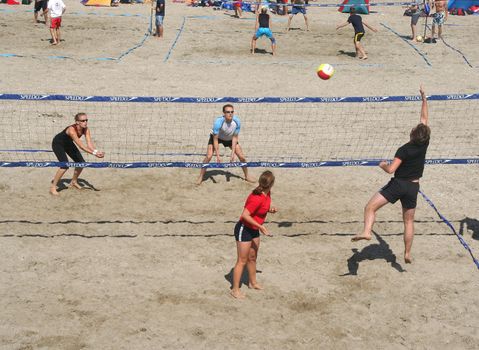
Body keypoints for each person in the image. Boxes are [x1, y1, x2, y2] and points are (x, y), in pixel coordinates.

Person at [351, 86, 430, 264]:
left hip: (398, 185)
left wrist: (383, 165)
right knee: (409, 222)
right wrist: (424, 99)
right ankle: (407, 253)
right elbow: (424, 119)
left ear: (412, 134)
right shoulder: (424, 143)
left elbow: (391, 170)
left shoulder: (404, 149)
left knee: (370, 207)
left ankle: (366, 232)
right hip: (413, 186)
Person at [231, 171, 277, 299]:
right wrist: (261, 226)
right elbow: (245, 215)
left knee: (252, 257)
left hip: (254, 229)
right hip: (244, 229)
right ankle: (235, 290)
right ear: (272, 184)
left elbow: (261, 208)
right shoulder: (256, 197)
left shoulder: (267, 194)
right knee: (242, 260)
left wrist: (269, 209)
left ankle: (253, 283)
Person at [196, 104, 256, 185]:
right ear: (224, 113)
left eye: (232, 112)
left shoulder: (237, 122)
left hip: (229, 138)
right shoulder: (218, 122)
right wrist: (217, 156)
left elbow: (235, 138)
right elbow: (215, 139)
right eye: (228, 112)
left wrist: (232, 154)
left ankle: (247, 176)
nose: (230, 113)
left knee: (242, 157)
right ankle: (201, 176)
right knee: (209, 156)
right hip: (217, 138)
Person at [50, 113, 104, 196]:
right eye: (83, 121)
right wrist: (94, 153)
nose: (85, 122)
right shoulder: (71, 130)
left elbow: (89, 144)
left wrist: (97, 151)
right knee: (64, 165)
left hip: (68, 143)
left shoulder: (86, 129)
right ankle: (53, 187)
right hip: (58, 143)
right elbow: (81, 146)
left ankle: (73, 182)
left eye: (86, 120)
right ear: (77, 122)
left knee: (81, 163)